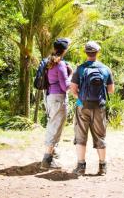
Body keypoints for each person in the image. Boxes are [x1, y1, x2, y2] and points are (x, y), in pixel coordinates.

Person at [71, 41, 114, 176]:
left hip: (82, 106)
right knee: (100, 136)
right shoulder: (106, 69)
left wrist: (81, 98)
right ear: (97, 53)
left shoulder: (80, 69)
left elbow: (73, 90)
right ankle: (102, 167)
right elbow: (111, 90)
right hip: (99, 107)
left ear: (86, 53)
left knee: (80, 136)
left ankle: (81, 166)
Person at [41, 38, 72, 169]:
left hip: (49, 96)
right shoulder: (60, 64)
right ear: (65, 50)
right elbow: (65, 87)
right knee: (55, 126)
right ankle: (47, 160)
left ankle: (51, 154)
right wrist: (72, 74)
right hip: (58, 97)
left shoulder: (49, 61)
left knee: (52, 124)